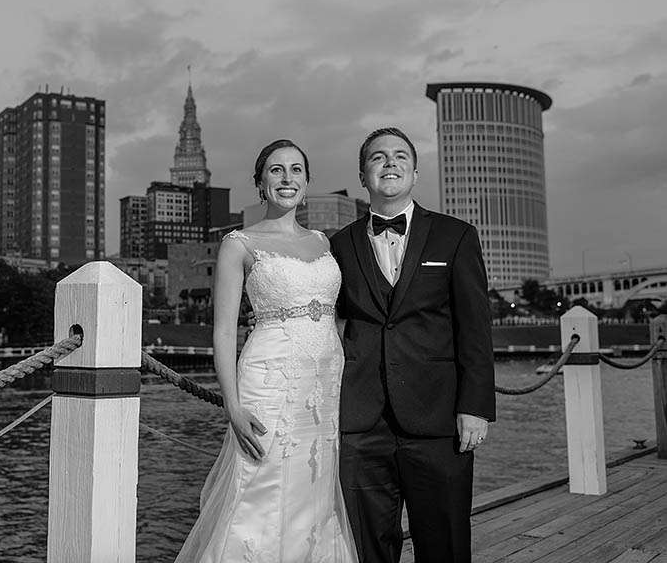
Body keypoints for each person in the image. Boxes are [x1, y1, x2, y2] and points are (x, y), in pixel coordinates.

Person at [176, 139, 357, 562]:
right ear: (260, 183)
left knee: (315, 490)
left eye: (296, 169)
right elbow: (223, 333)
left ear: (307, 180)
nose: (287, 178)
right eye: (275, 170)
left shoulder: (325, 244)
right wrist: (233, 408)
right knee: (260, 488)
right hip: (270, 381)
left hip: (325, 387)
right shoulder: (238, 244)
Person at [329, 127, 496, 563]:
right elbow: (325, 319)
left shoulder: (455, 236)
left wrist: (474, 406)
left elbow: (475, 328)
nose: (390, 163)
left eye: (400, 156)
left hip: (439, 419)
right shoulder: (338, 246)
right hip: (362, 424)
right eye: (378, 157)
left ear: (415, 172)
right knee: (367, 547)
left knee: (444, 542)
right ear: (363, 175)